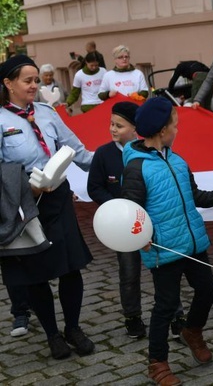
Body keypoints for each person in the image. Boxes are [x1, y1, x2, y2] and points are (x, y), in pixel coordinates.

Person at [121, 97, 213, 385]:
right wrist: (142, 238)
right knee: (166, 305)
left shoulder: (177, 159)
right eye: (175, 125)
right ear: (161, 130)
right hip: (163, 249)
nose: (177, 130)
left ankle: (192, 330)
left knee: (208, 290)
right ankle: (157, 362)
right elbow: (131, 213)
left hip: (192, 243)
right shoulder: (137, 168)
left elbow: (195, 196)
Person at [0, 55, 96, 360]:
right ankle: (52, 334)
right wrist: (27, 186)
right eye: (27, 81)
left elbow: (77, 151)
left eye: (35, 80)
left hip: (58, 198)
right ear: (8, 84)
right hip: (24, 203)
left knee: (70, 267)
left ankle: (73, 328)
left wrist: (116, 156)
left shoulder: (46, 113)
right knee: (36, 271)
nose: (33, 85)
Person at [87, 102, 147, 338]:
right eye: (111, 124)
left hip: (148, 221)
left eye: (119, 125)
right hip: (122, 228)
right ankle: (132, 317)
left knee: (163, 270)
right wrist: (114, 207)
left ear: (135, 128)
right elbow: (95, 187)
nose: (113, 129)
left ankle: (175, 314)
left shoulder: (146, 151)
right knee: (129, 272)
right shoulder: (103, 154)